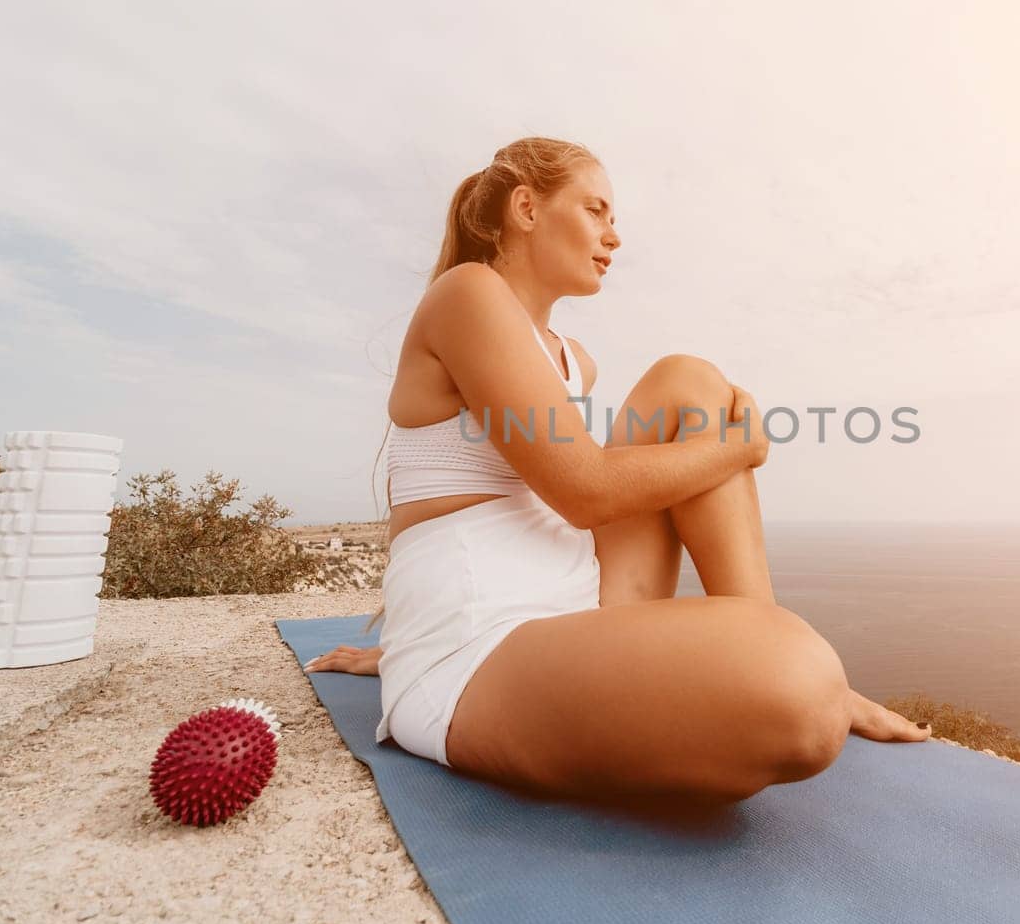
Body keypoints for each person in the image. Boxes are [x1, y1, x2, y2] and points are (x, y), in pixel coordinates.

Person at [305, 137, 928, 807]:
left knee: (687, 382)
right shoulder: (468, 295)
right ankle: (786, 665)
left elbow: (581, 488)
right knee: (804, 691)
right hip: (481, 641)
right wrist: (740, 448)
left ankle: (766, 635)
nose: (614, 236)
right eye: (596, 211)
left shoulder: (575, 361)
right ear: (526, 208)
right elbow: (585, 490)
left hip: (579, 602)